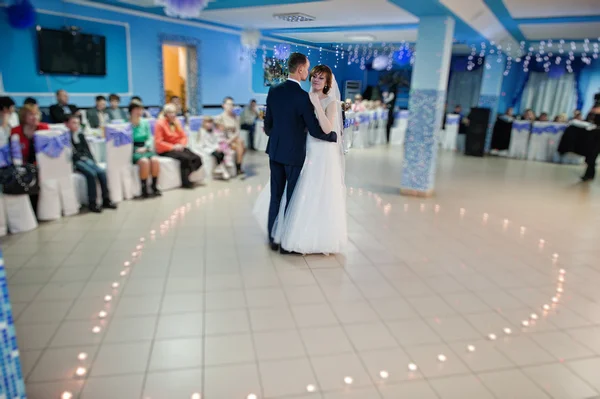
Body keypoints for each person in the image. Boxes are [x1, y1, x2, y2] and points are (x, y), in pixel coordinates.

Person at [253, 53, 338, 254]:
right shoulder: (303, 98)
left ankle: (272, 239)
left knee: (275, 196)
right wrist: (333, 136)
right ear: (300, 70)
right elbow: (316, 130)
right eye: (308, 70)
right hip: (294, 155)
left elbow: (268, 126)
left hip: (275, 152)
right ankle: (285, 242)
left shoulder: (273, 90)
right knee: (291, 198)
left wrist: (280, 139)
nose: (309, 74)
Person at [66, 115, 117, 212]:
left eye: (77, 123)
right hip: (76, 162)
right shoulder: (67, 138)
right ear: (67, 124)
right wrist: (81, 158)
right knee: (91, 174)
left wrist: (92, 160)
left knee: (101, 172)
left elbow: (87, 150)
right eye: (73, 123)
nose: (76, 125)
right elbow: (71, 154)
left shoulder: (80, 135)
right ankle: (92, 202)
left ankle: (106, 199)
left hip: (86, 159)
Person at [11, 104, 50, 211]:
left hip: (40, 164)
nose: (35, 117)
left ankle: (37, 209)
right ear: (23, 117)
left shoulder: (44, 128)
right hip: (21, 164)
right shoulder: (16, 131)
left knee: (35, 174)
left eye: (36, 114)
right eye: (31, 115)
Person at [154, 103, 202, 188]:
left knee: (197, 158)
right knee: (185, 159)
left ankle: (187, 175)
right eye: (170, 113)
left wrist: (181, 145)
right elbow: (158, 142)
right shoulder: (160, 123)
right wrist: (172, 147)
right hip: (166, 149)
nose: (173, 115)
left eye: (174, 112)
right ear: (166, 113)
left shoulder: (177, 122)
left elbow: (183, 136)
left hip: (178, 146)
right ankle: (185, 182)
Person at [130, 102, 161, 197]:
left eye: (141, 109)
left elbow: (149, 137)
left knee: (155, 160)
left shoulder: (145, 122)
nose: (139, 112)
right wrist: (136, 149)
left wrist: (146, 147)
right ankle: (144, 187)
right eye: (137, 109)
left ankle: (154, 186)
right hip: (134, 148)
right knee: (144, 162)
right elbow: (127, 140)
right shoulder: (127, 124)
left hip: (145, 147)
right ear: (131, 111)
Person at [193, 116, 231, 180]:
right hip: (205, 148)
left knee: (221, 153)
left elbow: (215, 141)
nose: (209, 124)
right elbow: (202, 144)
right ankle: (222, 169)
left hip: (213, 147)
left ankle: (220, 168)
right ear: (204, 123)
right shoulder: (202, 131)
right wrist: (213, 148)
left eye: (210, 123)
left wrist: (217, 147)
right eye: (207, 122)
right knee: (217, 154)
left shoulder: (213, 131)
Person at [217, 96, 246, 175]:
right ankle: (238, 166)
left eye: (232, 104)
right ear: (223, 105)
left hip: (233, 139)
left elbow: (237, 131)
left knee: (241, 143)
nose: (230, 106)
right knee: (241, 145)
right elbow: (220, 133)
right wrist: (228, 140)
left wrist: (231, 140)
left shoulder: (236, 117)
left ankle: (238, 166)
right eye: (228, 104)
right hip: (224, 140)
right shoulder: (220, 117)